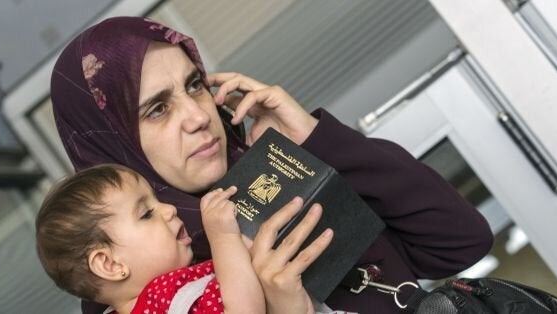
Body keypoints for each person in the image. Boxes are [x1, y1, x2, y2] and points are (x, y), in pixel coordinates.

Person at [50, 16, 494, 313]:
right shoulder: (141, 290)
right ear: (111, 144)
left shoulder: (276, 178)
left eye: (195, 86)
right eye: (158, 110)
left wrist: (313, 137)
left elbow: (459, 243)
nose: (199, 116)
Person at [36, 164, 333, 314]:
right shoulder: (159, 299)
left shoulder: (170, 291)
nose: (168, 210)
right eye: (146, 214)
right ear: (110, 264)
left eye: (157, 201)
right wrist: (223, 237)